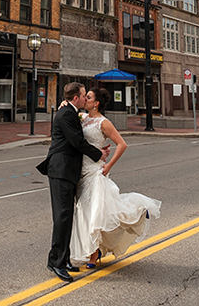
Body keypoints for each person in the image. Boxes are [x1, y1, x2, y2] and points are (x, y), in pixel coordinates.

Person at [69, 88, 161, 268]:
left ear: (96, 103)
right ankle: (94, 249)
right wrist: (64, 104)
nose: (85, 99)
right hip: (81, 171)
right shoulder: (82, 118)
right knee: (83, 211)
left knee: (92, 212)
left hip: (96, 171)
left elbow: (122, 144)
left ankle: (94, 254)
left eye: (88, 97)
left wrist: (109, 164)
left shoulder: (104, 123)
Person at [37, 82, 110, 283]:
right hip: (61, 170)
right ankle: (56, 263)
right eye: (84, 95)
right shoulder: (67, 114)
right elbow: (77, 142)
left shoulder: (70, 111)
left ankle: (63, 258)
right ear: (76, 98)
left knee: (67, 217)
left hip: (68, 171)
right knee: (62, 217)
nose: (86, 97)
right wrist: (100, 154)